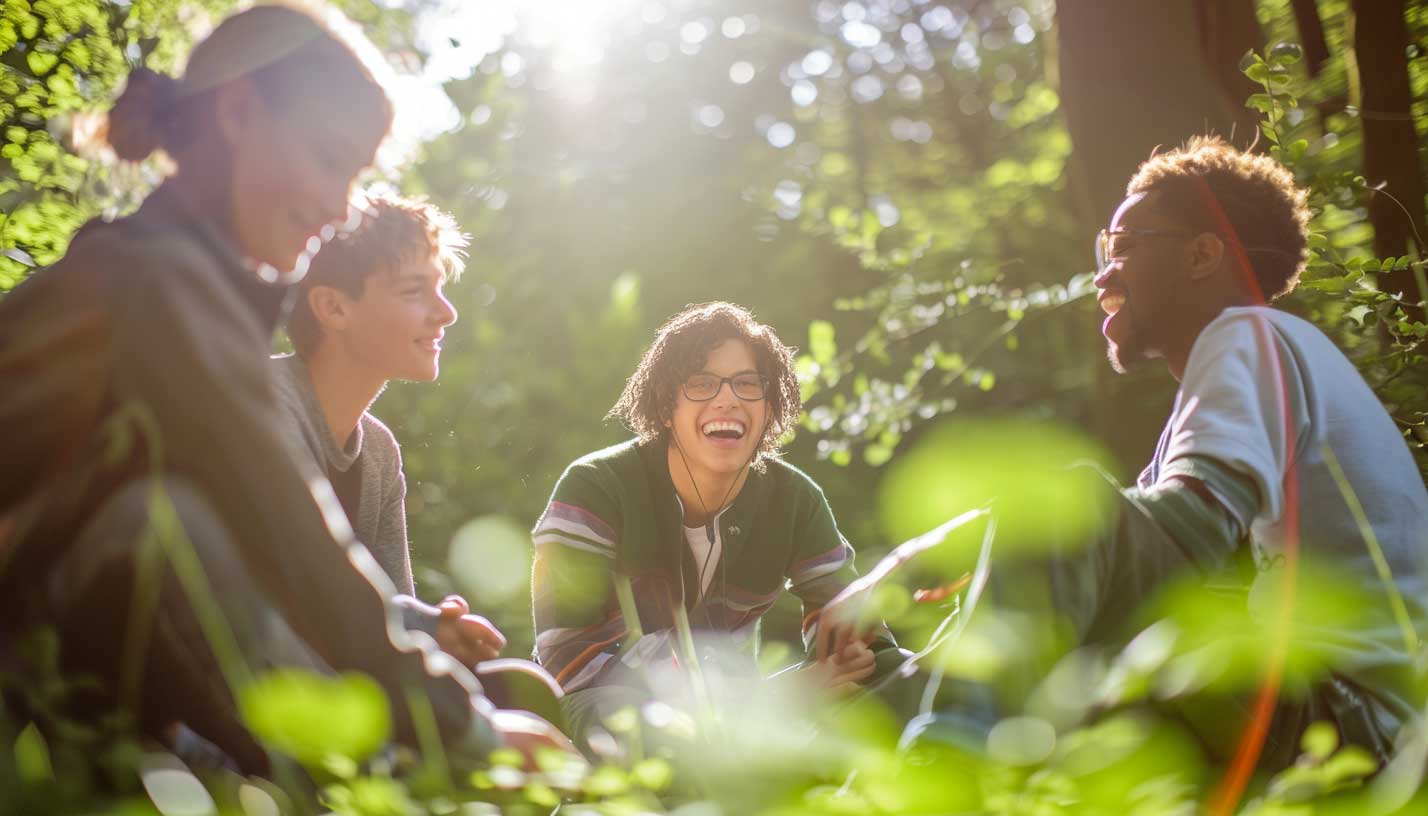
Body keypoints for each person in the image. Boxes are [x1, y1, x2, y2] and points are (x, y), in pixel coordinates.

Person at [0, 4, 568, 774]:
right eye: (330, 159)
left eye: (357, 175)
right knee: (172, 526)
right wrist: (463, 731)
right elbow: (284, 533)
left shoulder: (175, 282)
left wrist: (426, 651)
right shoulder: (154, 286)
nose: (340, 207)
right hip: (51, 668)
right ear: (238, 114)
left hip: (91, 657)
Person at [818, 136, 1428, 768]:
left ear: (1203, 254)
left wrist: (905, 564)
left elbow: (1151, 529)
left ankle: (946, 776)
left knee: (1071, 524)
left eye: (1122, 248)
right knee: (979, 651)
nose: (1102, 273)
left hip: (1355, 720)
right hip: (1342, 718)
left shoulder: (1251, 334)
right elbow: (1117, 544)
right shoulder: (1243, 377)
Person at [530, 302, 906, 743]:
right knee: (636, 722)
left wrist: (853, 654)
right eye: (701, 383)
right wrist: (765, 700)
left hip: (740, 707)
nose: (726, 398)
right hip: (611, 706)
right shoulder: (595, 487)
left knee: (898, 672)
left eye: (748, 384)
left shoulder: (796, 499)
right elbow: (571, 657)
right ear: (666, 406)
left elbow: (850, 624)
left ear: (769, 408)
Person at [273, 193, 561, 711]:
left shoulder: (378, 452)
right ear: (334, 306)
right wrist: (420, 623)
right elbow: (285, 601)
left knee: (526, 692)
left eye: (441, 289)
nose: (446, 312)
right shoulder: (266, 408)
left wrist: (440, 631)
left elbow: (388, 611)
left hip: (352, 679)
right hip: (276, 686)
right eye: (415, 291)